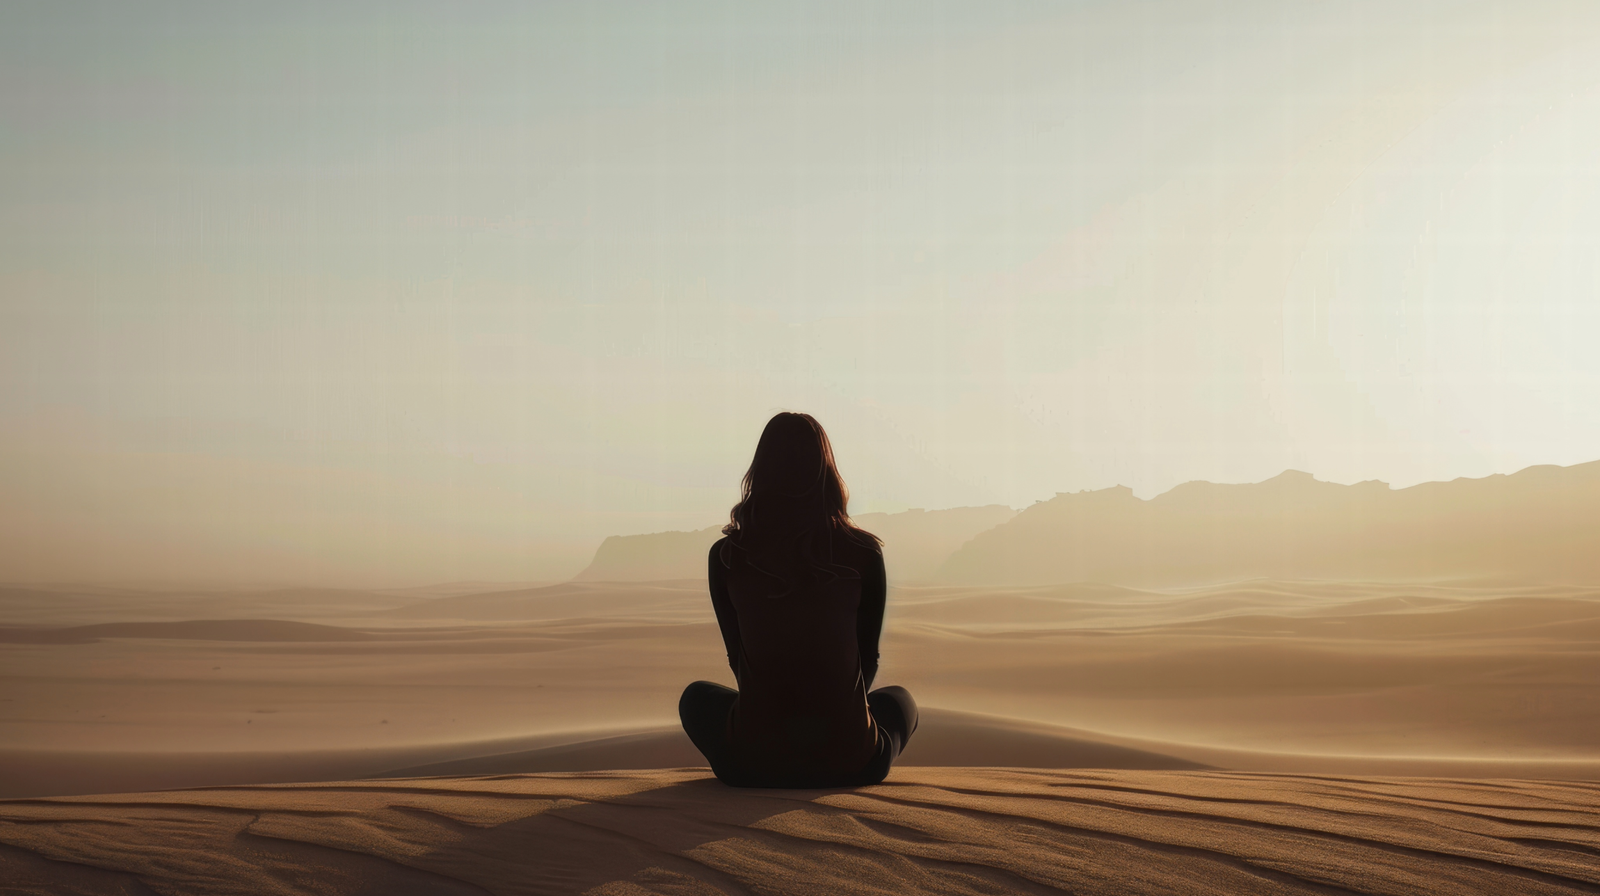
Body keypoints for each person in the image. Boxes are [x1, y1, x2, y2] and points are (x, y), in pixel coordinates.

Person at [679, 412, 918, 788]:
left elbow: (737, 659)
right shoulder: (863, 553)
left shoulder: (728, 556)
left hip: (752, 765)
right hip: (852, 763)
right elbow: (867, 658)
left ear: (760, 471)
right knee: (899, 701)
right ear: (826, 471)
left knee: (696, 699)